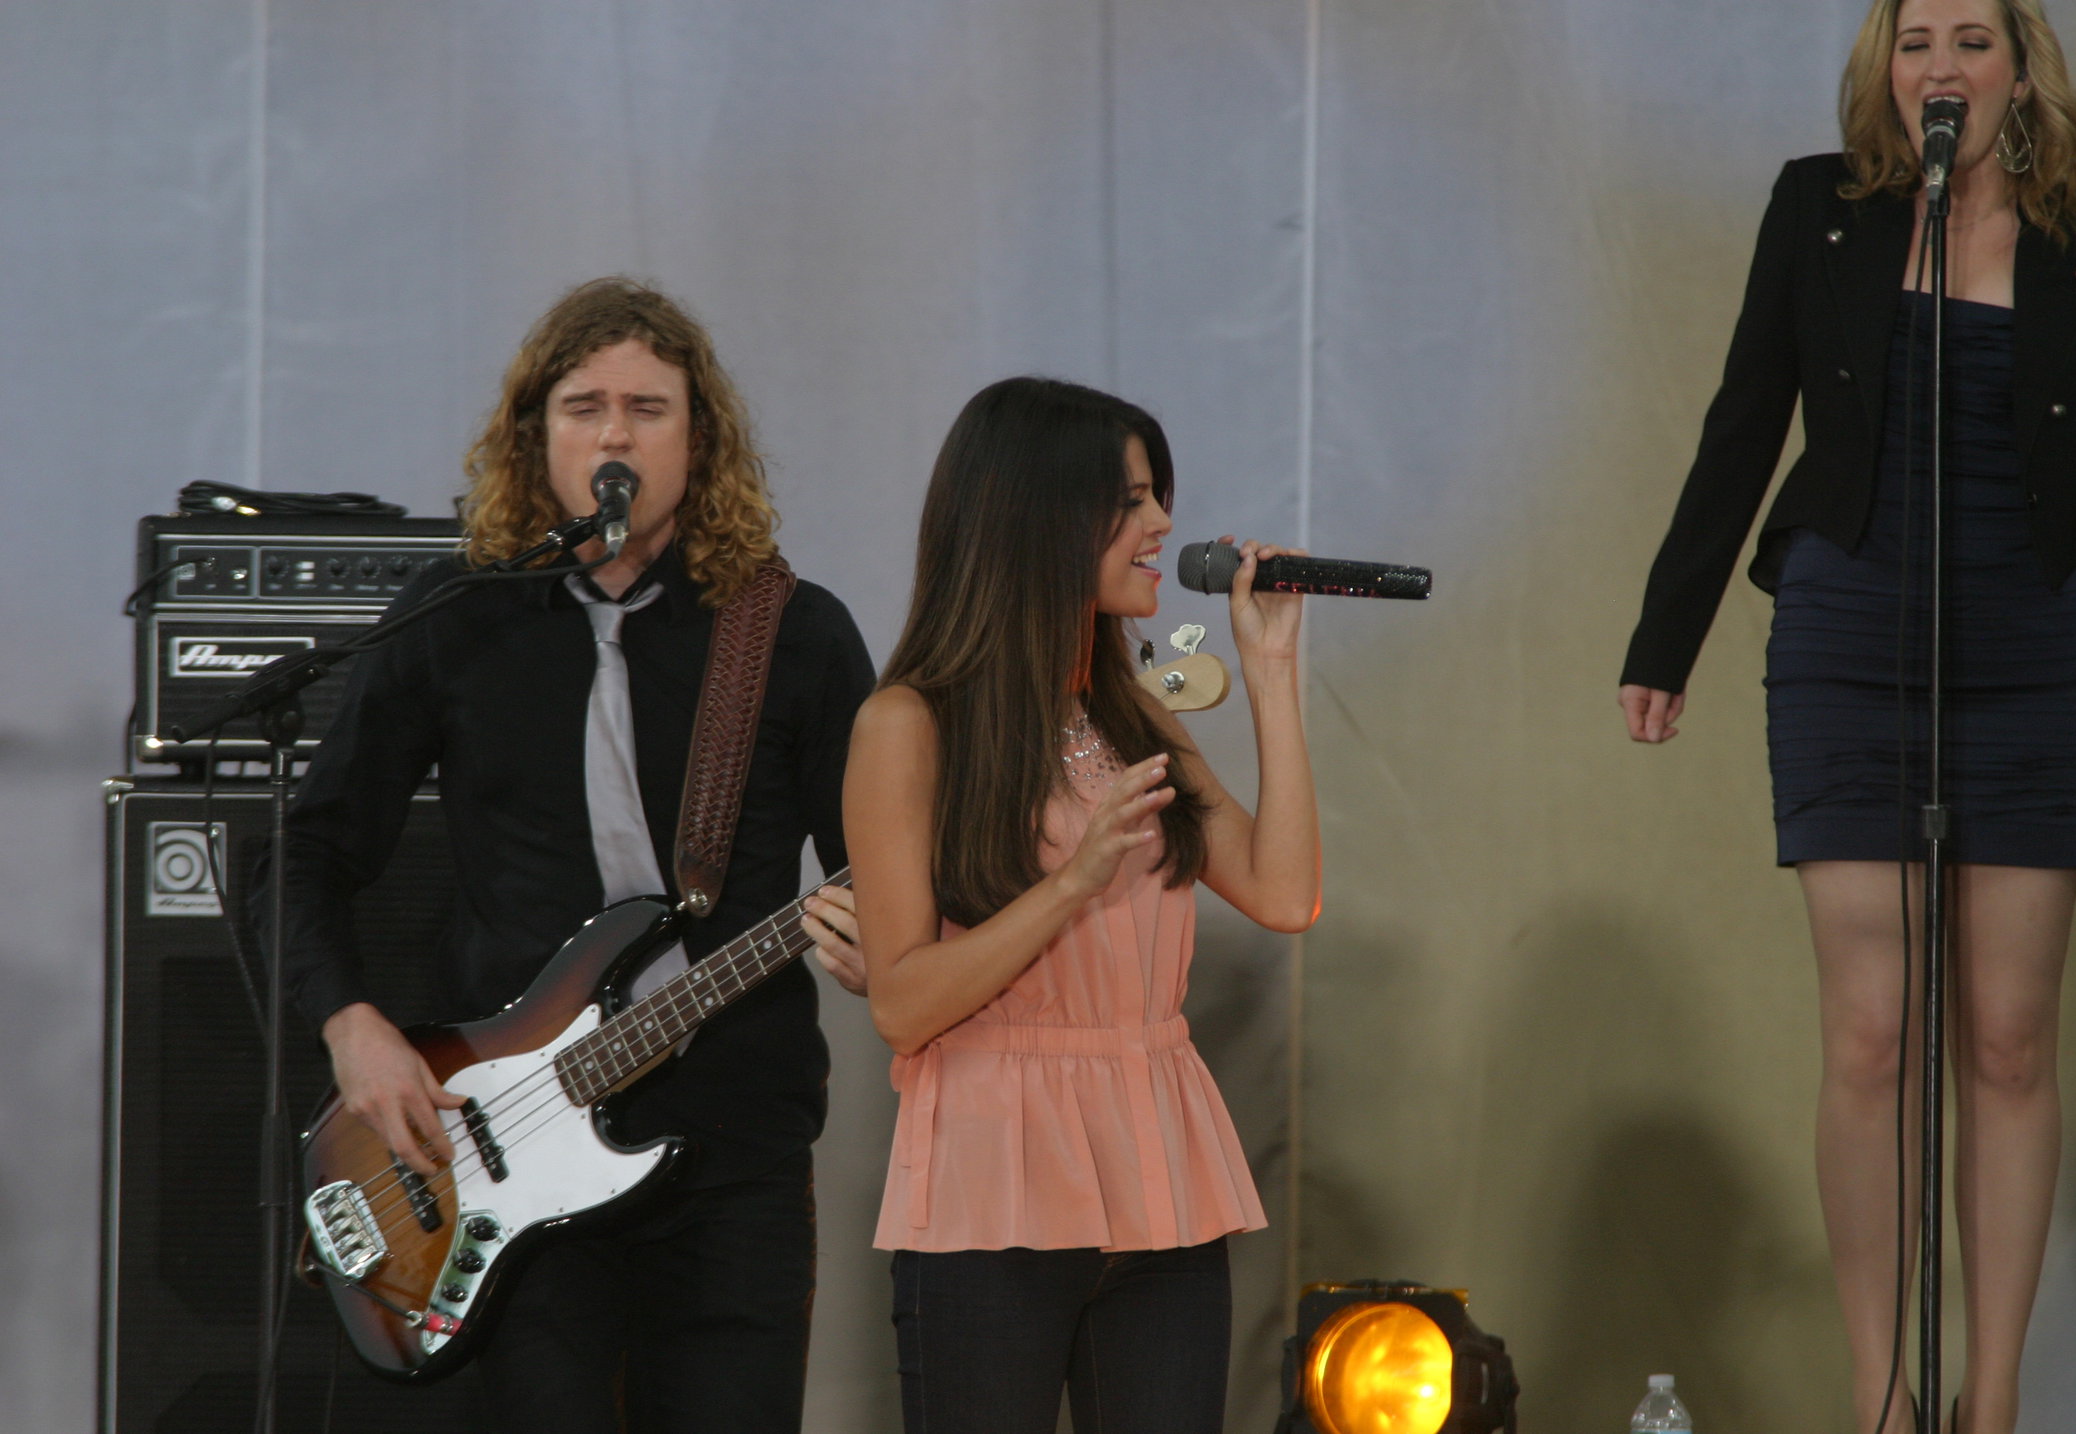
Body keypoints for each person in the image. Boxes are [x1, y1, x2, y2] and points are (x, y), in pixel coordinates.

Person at [1617, 3, 2076, 1431]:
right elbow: (1745, 421)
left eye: (1971, 41)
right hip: (1851, 638)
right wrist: (1665, 635)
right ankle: (1882, 1393)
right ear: (1881, 70)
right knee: (1866, 1035)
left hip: (2031, 652)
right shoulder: (1821, 212)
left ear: (2019, 69)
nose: (1940, 69)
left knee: (2004, 1041)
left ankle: (1989, 1398)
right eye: (1915, 42)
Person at [269, 277, 876, 1433]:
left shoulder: (790, 631)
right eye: (583, 406)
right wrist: (352, 1026)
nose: (614, 435)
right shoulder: (455, 615)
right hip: (507, 1142)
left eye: (648, 409)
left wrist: (881, 941)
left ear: (700, 443)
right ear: (533, 437)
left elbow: (883, 868)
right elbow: (308, 851)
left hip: (734, 1144)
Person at [843, 376, 1320, 1434]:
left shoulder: (1133, 710)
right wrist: (1068, 885)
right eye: (1133, 501)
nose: (1160, 526)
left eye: (1158, 498)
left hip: (1158, 1164)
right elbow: (902, 1002)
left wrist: (1272, 678)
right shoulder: (908, 725)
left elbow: (1285, 894)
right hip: (988, 1177)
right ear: (1038, 519)